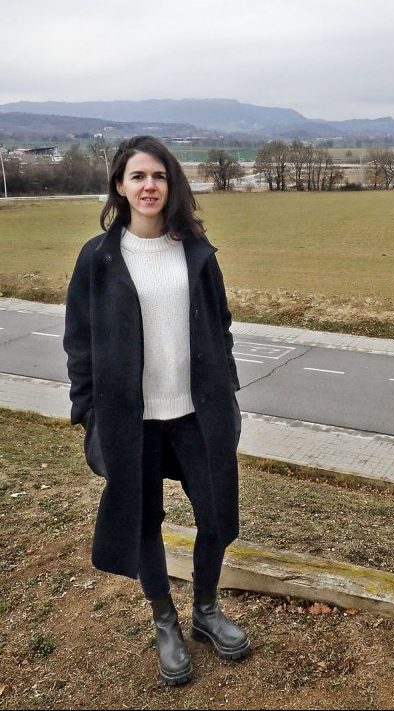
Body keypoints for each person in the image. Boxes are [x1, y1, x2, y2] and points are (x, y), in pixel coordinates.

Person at [63, 135, 248, 686]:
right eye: (138, 176)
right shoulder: (98, 258)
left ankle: (206, 611)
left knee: (218, 516)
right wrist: (88, 412)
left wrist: (228, 390)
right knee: (143, 519)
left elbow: (222, 326)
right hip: (129, 420)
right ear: (120, 186)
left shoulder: (196, 250)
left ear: (172, 185)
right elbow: (79, 341)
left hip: (198, 413)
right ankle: (164, 619)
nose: (149, 186)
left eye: (159, 176)